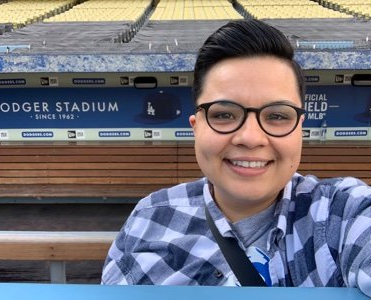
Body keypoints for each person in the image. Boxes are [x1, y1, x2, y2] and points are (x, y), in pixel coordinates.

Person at [101, 19, 371, 296]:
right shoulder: (151, 218)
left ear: (299, 129)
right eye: (224, 115)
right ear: (196, 127)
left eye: (277, 116)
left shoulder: (342, 212)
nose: (251, 138)